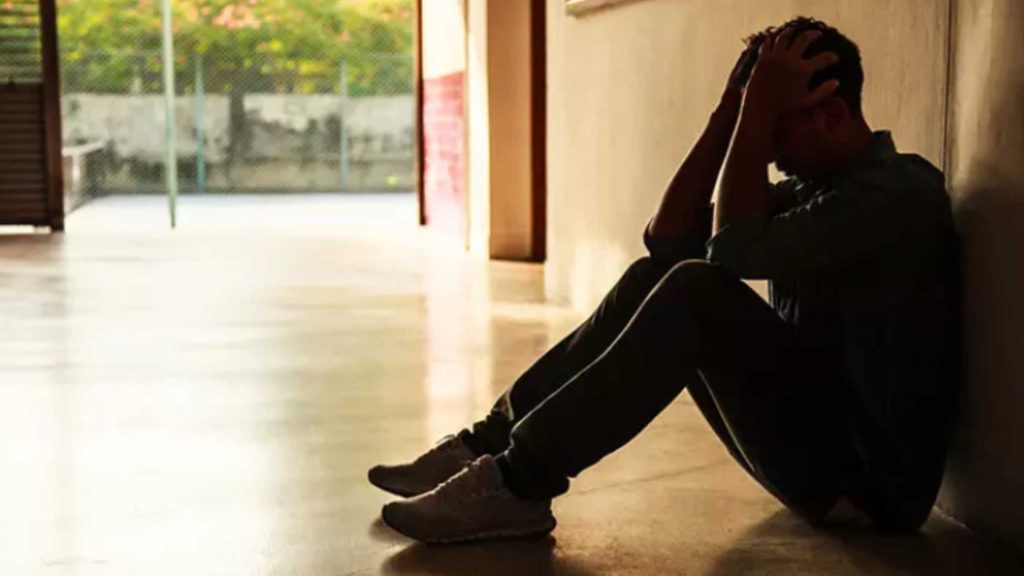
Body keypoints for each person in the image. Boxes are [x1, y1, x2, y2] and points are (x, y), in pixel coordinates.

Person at [368, 17, 960, 544]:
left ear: (831, 112)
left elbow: (727, 253)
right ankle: (490, 445)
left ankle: (518, 482)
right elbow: (668, 237)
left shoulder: (897, 195)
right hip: (820, 452)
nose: (768, 156)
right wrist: (731, 110)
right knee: (659, 273)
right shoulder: (817, 192)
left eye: (775, 133)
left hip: (869, 491)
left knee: (696, 289)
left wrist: (755, 115)